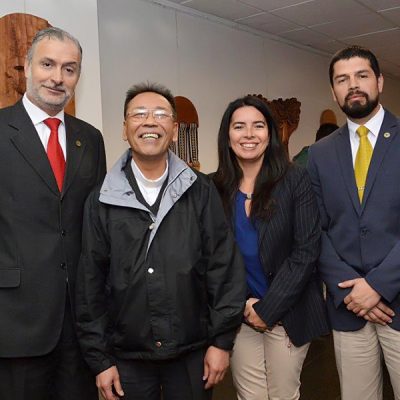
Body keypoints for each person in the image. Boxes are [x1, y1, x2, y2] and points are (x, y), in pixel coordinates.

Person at [75, 82, 246, 400]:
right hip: (127, 359)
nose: (149, 122)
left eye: (160, 114)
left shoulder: (201, 191)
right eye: (138, 114)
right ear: (125, 129)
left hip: (192, 353)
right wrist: (99, 360)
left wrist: (221, 342)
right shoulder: (102, 200)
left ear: (175, 129)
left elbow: (223, 267)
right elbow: (90, 285)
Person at [0, 27, 106, 400]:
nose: (58, 77)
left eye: (69, 68)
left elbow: (97, 225)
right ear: (27, 67)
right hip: (14, 320)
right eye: (47, 64)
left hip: (80, 325)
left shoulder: (90, 139)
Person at [212, 95, 329, 400]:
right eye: (239, 126)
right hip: (242, 315)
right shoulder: (215, 187)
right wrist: (242, 307)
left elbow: (306, 251)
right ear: (227, 135)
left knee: (282, 395)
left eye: (258, 126)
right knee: (249, 396)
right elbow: (214, 258)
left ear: (270, 133)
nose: (249, 134)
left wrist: (268, 308)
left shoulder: (294, 179)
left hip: (288, 311)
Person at [307, 45, 400, 400]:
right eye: (342, 80)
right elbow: (315, 229)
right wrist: (351, 291)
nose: (353, 85)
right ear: (333, 91)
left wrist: (376, 285)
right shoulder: (319, 153)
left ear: (379, 81)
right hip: (348, 309)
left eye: (362, 76)